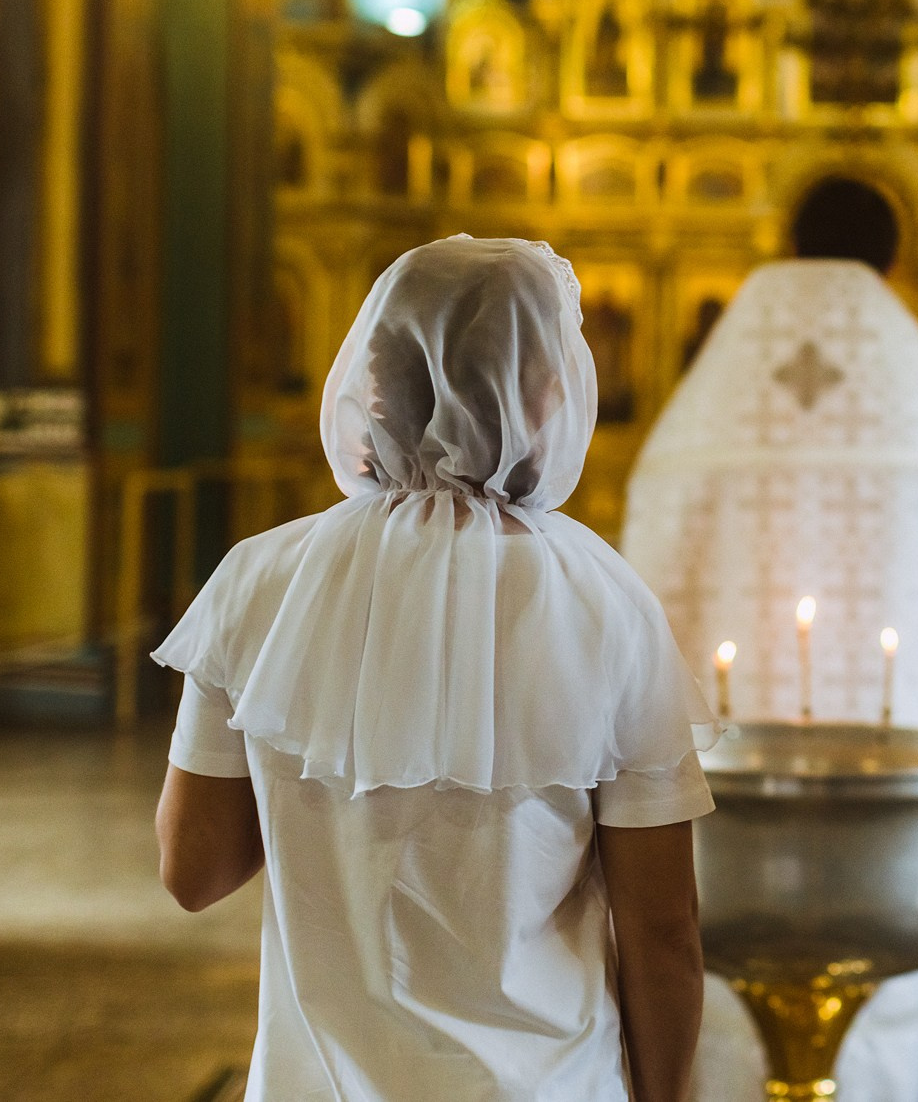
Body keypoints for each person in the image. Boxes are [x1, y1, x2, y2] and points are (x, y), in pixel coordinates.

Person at [153, 237, 719, 1102]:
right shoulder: (605, 604)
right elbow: (664, 931)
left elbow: (194, 871)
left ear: (373, 382)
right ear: (542, 397)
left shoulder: (261, 581)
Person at [622, 212, 918, 1102]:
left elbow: (643, 602)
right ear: (898, 255)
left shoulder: (700, 416)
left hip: (724, 808)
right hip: (902, 823)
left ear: (783, 240)